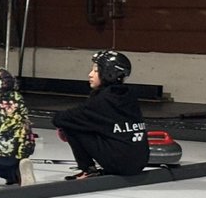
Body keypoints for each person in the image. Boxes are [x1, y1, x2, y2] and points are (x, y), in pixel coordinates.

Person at [51, 50, 149, 180]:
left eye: (96, 71)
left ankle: (88, 169)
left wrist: (61, 125)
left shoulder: (102, 100)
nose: (90, 74)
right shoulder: (129, 95)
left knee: (71, 125)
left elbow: (62, 119)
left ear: (108, 73)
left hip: (120, 165)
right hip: (141, 161)